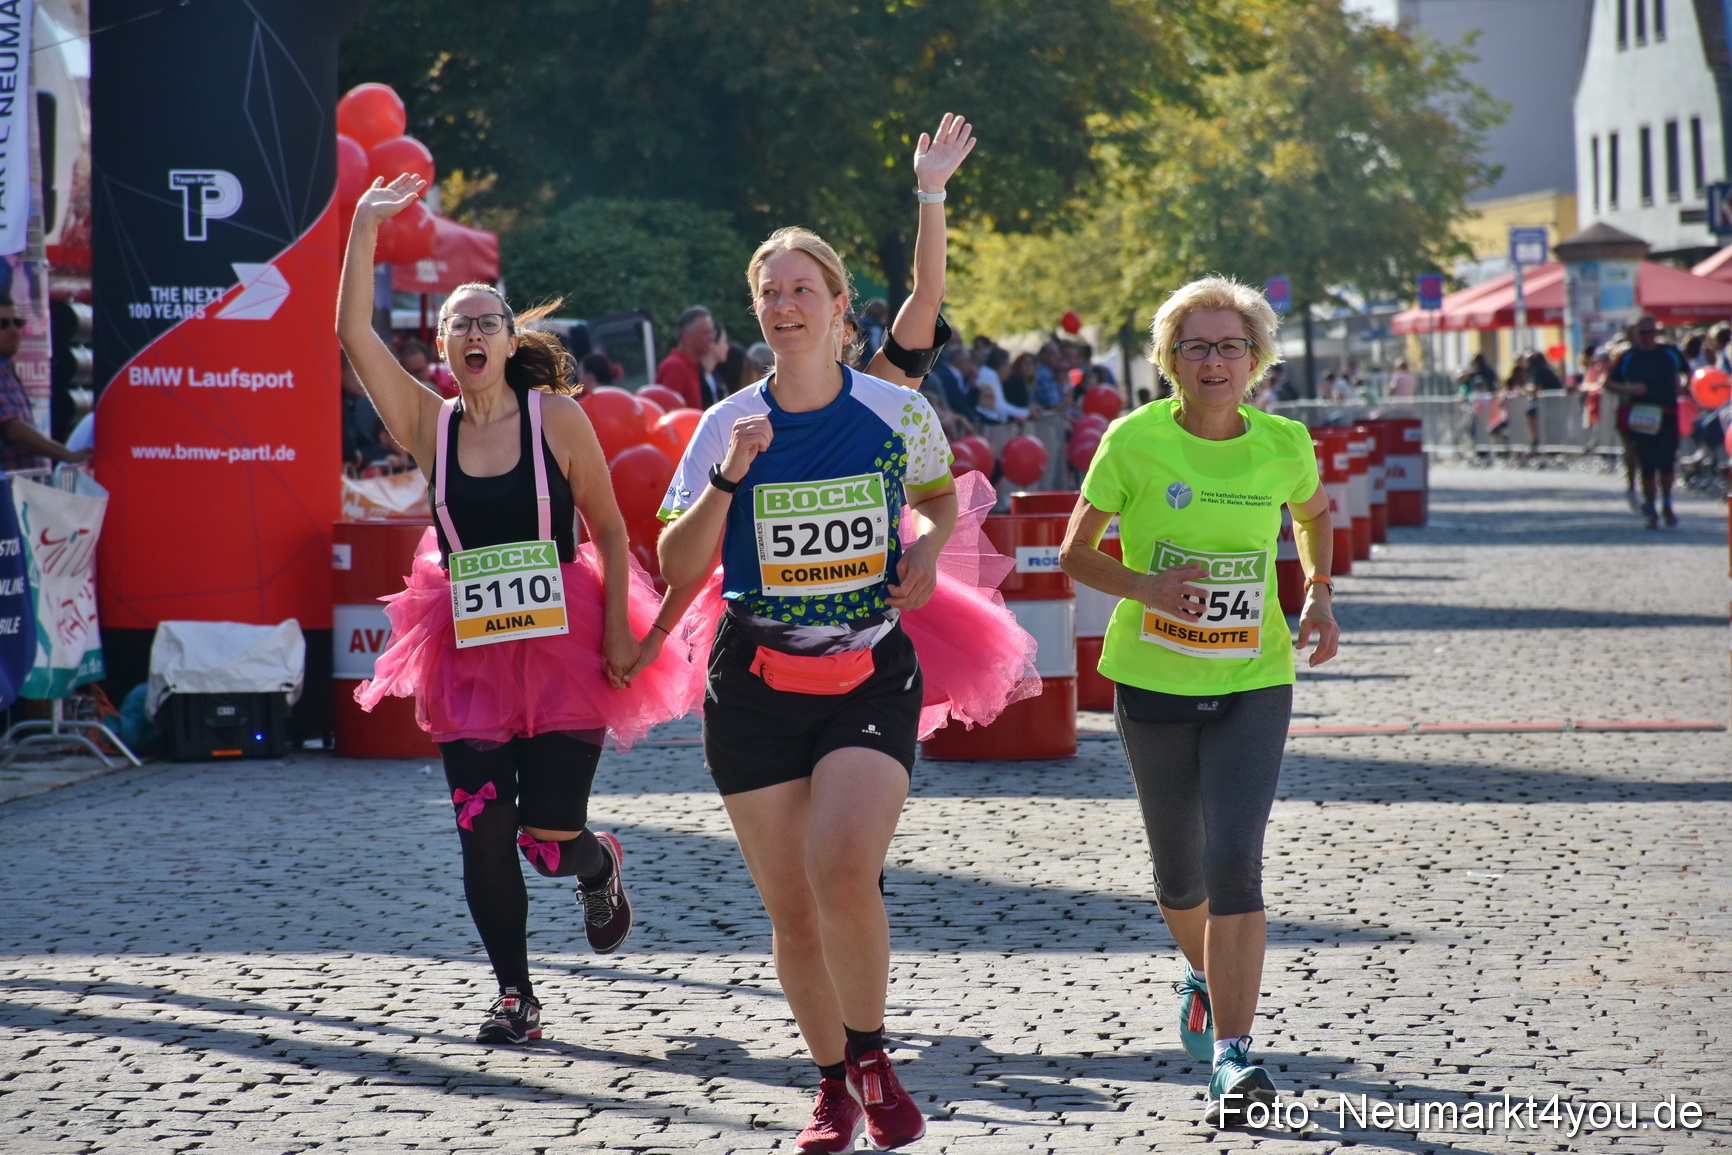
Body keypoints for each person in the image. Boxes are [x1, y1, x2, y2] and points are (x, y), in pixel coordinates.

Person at [339, 174, 697, 1045]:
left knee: (546, 837)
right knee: (480, 832)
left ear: (508, 339)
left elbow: (611, 528)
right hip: (468, 651)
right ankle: (515, 995)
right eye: (458, 321)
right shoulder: (432, 426)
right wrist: (360, 227)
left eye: (486, 320)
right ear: (442, 343)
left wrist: (620, 625)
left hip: (565, 641)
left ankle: (596, 861)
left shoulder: (557, 418)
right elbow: (351, 332)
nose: (472, 331)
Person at [656, 226, 958, 1153]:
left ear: (838, 308)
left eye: (801, 290)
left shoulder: (895, 410)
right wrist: (728, 478)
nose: (784, 306)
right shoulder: (725, 423)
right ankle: (832, 1085)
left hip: (867, 672)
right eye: (769, 294)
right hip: (753, 686)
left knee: (842, 866)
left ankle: (869, 1054)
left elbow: (942, 497)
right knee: (791, 905)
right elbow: (675, 563)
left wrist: (930, 545)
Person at [1057, 275, 1339, 1128]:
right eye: (1196, 347)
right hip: (1152, 682)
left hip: (1256, 678)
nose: (1214, 361)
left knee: (1234, 864)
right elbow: (1075, 552)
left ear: (1256, 360)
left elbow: (1314, 513)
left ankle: (1232, 1055)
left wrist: (1319, 590)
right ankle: (1204, 975)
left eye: (1230, 347)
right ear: (1168, 361)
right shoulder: (1134, 441)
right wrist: (1148, 585)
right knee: (1180, 879)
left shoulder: (1283, 442)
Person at [1606, 317, 1688, 528]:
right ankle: (1651, 507)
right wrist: (1630, 390)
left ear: (1656, 332)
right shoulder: (1629, 357)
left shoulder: (1669, 353)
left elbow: (1688, 374)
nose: (1647, 336)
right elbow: (1610, 383)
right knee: (1647, 464)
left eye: (1650, 332)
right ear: (1636, 335)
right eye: (1642, 333)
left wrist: (1682, 385)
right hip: (1641, 415)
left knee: (1667, 461)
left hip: (1667, 413)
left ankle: (1668, 504)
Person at [0, 297, 88, 473]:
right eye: (3, 324)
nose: (13, 330)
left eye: (18, 323)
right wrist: (67, 454)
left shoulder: (8, 369)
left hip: (21, 486)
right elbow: (13, 428)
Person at [657, 306, 718, 410]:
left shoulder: (694, 366)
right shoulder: (675, 367)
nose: (711, 338)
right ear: (687, 337)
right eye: (705, 333)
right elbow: (668, 413)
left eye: (712, 332)